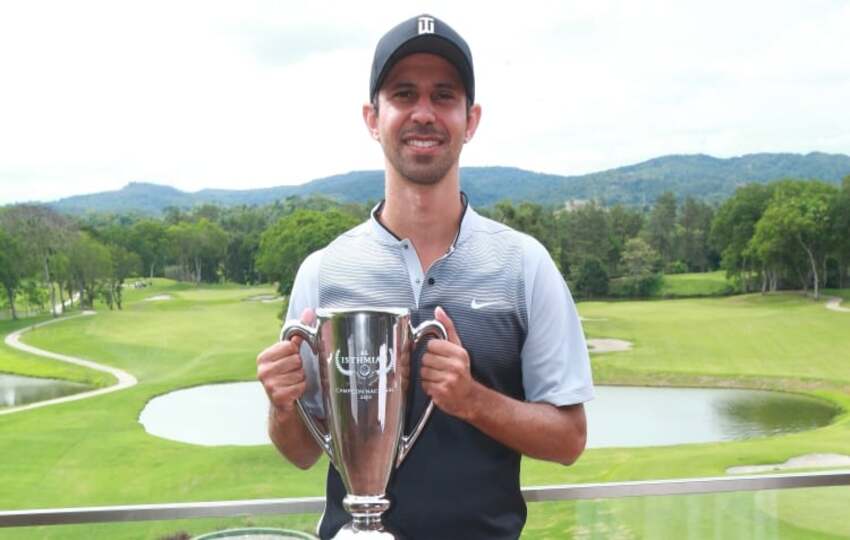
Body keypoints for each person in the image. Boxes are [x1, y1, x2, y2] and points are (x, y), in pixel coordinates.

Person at [256, 14, 594, 540]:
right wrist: (282, 405)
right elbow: (300, 451)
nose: (424, 114)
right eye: (404, 94)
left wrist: (472, 399)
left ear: (471, 118)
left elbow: (569, 439)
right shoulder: (323, 272)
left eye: (444, 96)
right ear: (373, 117)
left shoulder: (525, 264)